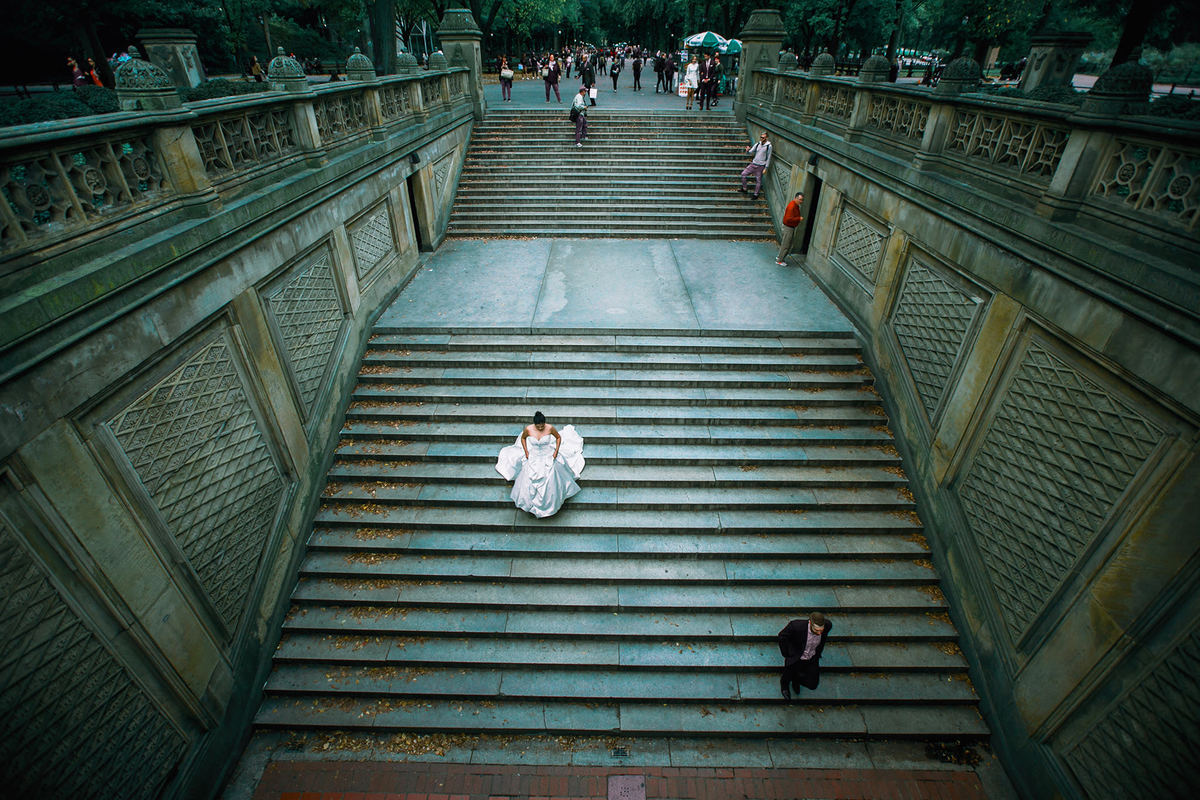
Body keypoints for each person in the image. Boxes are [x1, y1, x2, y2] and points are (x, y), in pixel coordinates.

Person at [496, 412, 584, 518]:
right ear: (535, 424)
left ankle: (551, 504)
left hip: (548, 456)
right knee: (528, 477)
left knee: (551, 477)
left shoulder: (550, 428)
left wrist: (556, 451)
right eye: (539, 426)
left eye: (542, 425)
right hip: (534, 457)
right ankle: (530, 503)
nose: (541, 427)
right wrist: (526, 451)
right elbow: (523, 439)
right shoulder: (528, 429)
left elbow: (558, 438)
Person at [778, 611, 832, 699]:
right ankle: (784, 686)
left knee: (813, 684)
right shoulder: (796, 626)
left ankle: (796, 679)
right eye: (816, 630)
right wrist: (787, 653)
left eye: (821, 630)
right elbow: (782, 637)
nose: (819, 633)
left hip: (812, 658)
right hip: (796, 657)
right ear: (810, 623)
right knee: (787, 675)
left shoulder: (827, 625)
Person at [739, 131, 772, 199]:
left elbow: (769, 157)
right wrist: (747, 150)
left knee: (758, 180)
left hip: (760, 166)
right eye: (761, 137)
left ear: (767, 138)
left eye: (763, 138)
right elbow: (751, 151)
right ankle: (744, 188)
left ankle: (756, 194)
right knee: (743, 174)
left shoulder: (769, 146)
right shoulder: (758, 144)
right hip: (753, 164)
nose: (762, 139)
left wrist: (766, 167)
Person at [776, 191, 804, 265]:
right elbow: (788, 219)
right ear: (796, 198)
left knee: (787, 243)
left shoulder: (795, 205)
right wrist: (798, 219)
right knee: (786, 244)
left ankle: (780, 257)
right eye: (800, 199)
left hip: (790, 227)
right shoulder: (792, 206)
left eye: (802, 200)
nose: (801, 201)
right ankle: (780, 260)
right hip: (788, 227)